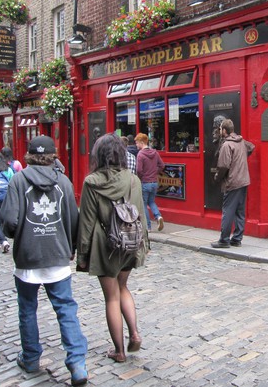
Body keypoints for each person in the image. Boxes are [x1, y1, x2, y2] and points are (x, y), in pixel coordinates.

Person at [0, 136, 88, 386]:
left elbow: (10, 222)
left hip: (28, 257)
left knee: (27, 309)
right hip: (58, 257)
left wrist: (20, 236)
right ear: (53, 155)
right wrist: (70, 247)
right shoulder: (64, 182)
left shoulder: (18, 180)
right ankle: (77, 364)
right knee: (66, 309)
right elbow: (73, 219)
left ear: (28, 155)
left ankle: (30, 358)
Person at [77, 133, 149, 364]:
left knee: (111, 298)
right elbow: (141, 215)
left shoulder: (92, 182)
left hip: (105, 245)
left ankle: (119, 351)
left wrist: (82, 255)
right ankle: (135, 333)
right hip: (129, 242)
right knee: (123, 287)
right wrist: (143, 245)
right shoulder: (133, 180)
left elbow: (87, 222)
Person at [211, 119, 255, 248]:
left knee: (228, 211)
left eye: (220, 129)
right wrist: (241, 159)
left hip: (233, 182)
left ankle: (224, 240)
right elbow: (251, 147)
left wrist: (217, 177)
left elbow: (223, 165)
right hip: (244, 180)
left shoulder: (226, 145)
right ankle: (237, 239)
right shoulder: (241, 141)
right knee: (240, 211)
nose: (219, 131)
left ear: (224, 131)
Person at [135, 133, 165, 232]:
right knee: (151, 202)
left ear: (142, 142)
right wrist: (154, 172)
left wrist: (140, 178)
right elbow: (162, 165)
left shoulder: (140, 154)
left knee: (143, 205)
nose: (136, 145)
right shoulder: (155, 152)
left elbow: (139, 170)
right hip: (154, 182)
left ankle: (148, 227)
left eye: (137, 143)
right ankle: (158, 217)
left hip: (145, 182)